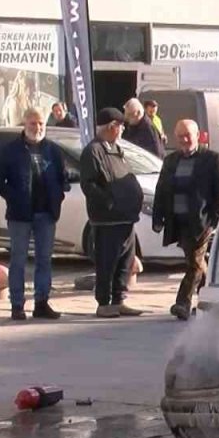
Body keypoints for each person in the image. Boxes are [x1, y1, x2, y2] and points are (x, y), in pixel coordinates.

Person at [0, 106, 69, 321]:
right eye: (33, 123)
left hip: (46, 213)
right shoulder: (10, 150)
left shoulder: (53, 150)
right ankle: (17, 304)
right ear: (24, 124)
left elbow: (62, 176)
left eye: (41, 124)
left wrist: (58, 196)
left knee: (44, 259)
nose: (37, 128)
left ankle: (41, 302)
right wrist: (13, 196)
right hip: (20, 215)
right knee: (18, 260)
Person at [154, 119, 219, 321]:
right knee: (195, 261)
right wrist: (158, 216)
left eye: (188, 135)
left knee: (194, 263)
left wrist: (214, 221)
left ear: (198, 135)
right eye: (180, 136)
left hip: (201, 221)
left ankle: (182, 302)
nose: (184, 140)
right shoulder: (171, 161)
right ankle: (215, 301)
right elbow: (161, 189)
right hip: (178, 222)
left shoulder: (212, 159)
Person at [80, 107, 146, 318]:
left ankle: (119, 299)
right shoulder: (93, 151)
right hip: (107, 220)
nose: (122, 130)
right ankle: (104, 302)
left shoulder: (116, 149)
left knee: (125, 262)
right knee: (107, 262)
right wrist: (108, 201)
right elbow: (89, 184)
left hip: (125, 218)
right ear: (111, 127)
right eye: (119, 126)